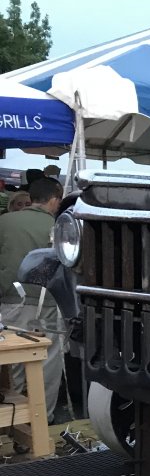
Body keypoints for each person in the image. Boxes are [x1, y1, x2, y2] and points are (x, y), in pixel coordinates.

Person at [0, 177, 65, 424]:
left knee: (12, 361)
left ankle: (13, 420)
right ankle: (41, 419)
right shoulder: (60, 226)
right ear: (54, 199)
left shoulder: (5, 221)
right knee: (48, 362)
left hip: (11, 298)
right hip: (51, 302)